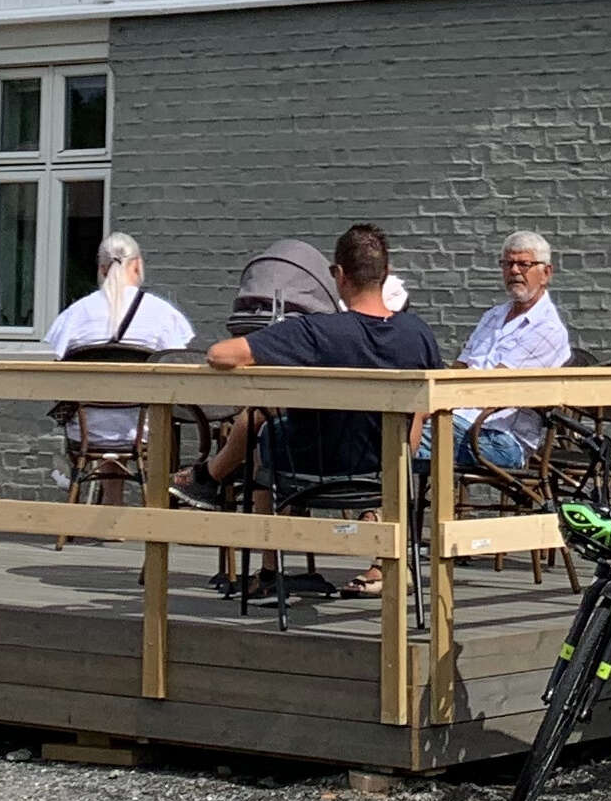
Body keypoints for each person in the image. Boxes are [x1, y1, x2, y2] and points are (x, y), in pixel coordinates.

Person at [201, 224, 436, 597]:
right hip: (386, 467)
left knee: (265, 435)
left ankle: (270, 568)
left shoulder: (316, 332)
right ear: (386, 273)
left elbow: (221, 355)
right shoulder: (417, 333)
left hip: (312, 468)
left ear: (338, 275)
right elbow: (429, 402)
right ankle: (389, 561)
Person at [45, 233, 194, 457]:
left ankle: (107, 480)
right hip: (144, 430)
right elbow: (178, 366)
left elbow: (56, 367)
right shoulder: (163, 314)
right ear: (137, 265)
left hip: (85, 431)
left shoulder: (75, 314)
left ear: (102, 269)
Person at [444, 230, 571, 477]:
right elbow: (459, 368)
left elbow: (494, 388)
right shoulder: (492, 316)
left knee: (404, 437)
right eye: (507, 264)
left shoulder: (547, 329)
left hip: (500, 438)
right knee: (399, 430)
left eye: (524, 264)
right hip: (459, 420)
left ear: (546, 273)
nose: (514, 271)